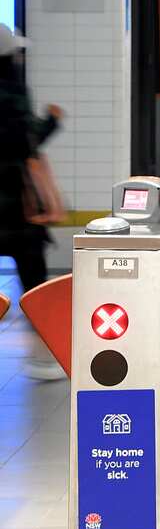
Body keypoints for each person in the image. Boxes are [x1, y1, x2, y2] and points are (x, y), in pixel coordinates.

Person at [0, 25, 64, 380]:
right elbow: (26, 140)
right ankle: (48, 357)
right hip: (16, 204)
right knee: (36, 282)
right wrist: (52, 121)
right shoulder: (12, 92)